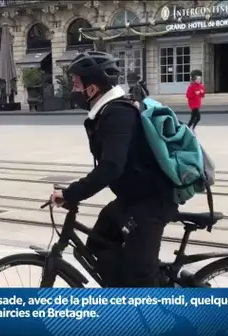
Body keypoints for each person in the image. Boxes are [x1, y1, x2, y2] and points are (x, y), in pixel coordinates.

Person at [50, 51, 177, 287]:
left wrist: (71, 193)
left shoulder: (118, 113)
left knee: (140, 276)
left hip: (152, 201)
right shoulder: (108, 111)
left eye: (77, 84)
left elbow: (111, 167)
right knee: (99, 242)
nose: (73, 90)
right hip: (133, 198)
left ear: (92, 89)